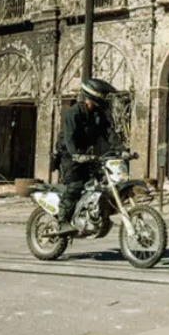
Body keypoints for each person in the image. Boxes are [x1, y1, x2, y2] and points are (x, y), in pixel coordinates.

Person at [56, 77, 121, 233]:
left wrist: (121, 149)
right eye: (103, 95)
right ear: (93, 95)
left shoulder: (98, 114)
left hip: (86, 156)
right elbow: (69, 138)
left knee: (100, 184)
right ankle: (62, 221)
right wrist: (75, 155)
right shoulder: (73, 113)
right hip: (70, 156)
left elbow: (108, 133)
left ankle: (93, 215)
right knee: (75, 186)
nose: (105, 98)